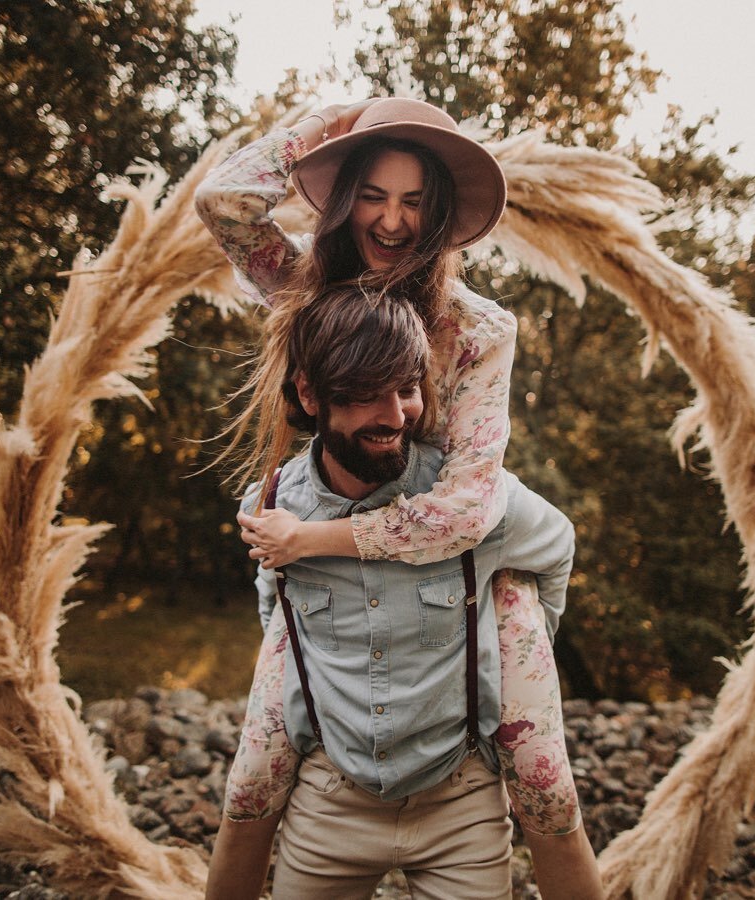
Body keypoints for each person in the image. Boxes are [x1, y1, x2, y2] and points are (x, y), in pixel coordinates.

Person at [195, 97, 598, 896]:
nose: (391, 220)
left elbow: (464, 511)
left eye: (414, 200)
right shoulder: (305, 287)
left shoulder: (479, 329)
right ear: (346, 199)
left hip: (467, 557)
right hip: (330, 535)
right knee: (254, 775)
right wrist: (332, 123)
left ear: (441, 212)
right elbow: (225, 202)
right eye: (373, 194)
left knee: (544, 777)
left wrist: (308, 544)